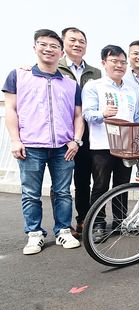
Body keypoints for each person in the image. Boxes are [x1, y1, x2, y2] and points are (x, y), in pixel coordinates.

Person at [2, 29, 83, 254]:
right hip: (31, 145)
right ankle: (34, 234)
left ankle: (63, 231)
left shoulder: (70, 84)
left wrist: (76, 140)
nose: (48, 49)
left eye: (54, 46)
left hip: (63, 147)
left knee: (63, 191)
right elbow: (11, 109)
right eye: (43, 44)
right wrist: (15, 140)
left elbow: (78, 115)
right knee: (30, 192)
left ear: (60, 51)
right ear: (35, 47)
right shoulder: (19, 75)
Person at [82, 45, 139, 242]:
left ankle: (120, 222)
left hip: (125, 146)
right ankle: (98, 225)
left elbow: (134, 117)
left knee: (122, 185)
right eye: (114, 61)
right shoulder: (94, 85)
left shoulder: (131, 90)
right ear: (103, 63)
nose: (119, 65)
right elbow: (87, 114)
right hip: (102, 145)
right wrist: (103, 114)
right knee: (100, 186)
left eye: (122, 62)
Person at [58, 27, 101, 237]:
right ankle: (63, 226)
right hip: (63, 134)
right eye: (72, 40)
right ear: (63, 43)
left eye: (81, 41)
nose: (77, 44)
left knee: (89, 179)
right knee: (63, 183)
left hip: (91, 133)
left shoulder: (96, 72)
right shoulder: (54, 68)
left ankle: (86, 219)